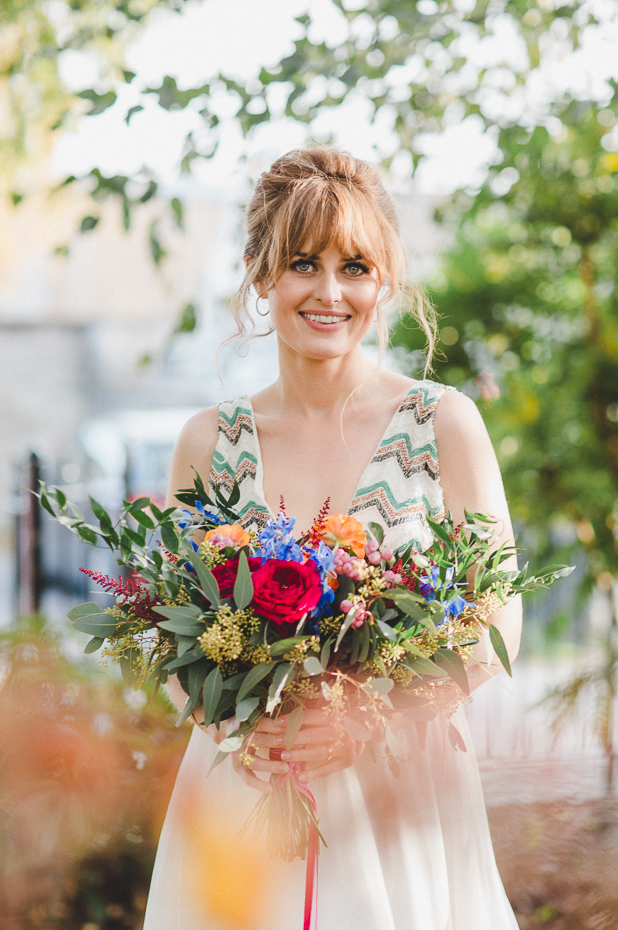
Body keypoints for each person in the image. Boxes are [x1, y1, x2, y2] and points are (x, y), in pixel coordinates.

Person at [143, 147, 522, 930]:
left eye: (354, 266)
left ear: (383, 281)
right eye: (302, 263)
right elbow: (174, 642)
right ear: (259, 275)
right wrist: (238, 727)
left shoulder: (442, 424)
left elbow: (498, 621)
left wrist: (367, 717)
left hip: (399, 792)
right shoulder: (207, 442)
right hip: (245, 792)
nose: (328, 292)